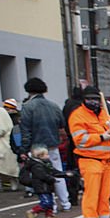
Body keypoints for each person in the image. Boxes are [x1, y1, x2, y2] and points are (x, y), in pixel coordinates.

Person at [68, 85, 110, 218]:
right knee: (92, 196)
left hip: (106, 161)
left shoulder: (104, 114)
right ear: (84, 100)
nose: (93, 102)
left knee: (104, 197)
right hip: (90, 160)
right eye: (90, 99)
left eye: (96, 99)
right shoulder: (78, 116)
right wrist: (102, 137)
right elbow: (80, 141)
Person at [20, 77, 71, 211]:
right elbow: (61, 124)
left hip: (36, 145)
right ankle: (65, 202)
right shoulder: (53, 105)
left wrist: (23, 150)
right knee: (57, 173)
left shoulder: (27, 107)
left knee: (41, 176)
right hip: (53, 144)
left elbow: (25, 131)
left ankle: (50, 205)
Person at [22, 144, 63, 218]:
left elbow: (52, 171)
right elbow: (42, 176)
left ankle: (49, 215)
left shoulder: (45, 163)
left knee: (50, 202)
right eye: (46, 154)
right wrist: (52, 179)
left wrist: (62, 174)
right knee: (46, 202)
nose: (48, 156)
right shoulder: (37, 166)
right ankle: (33, 211)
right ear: (40, 156)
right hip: (41, 186)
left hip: (46, 186)